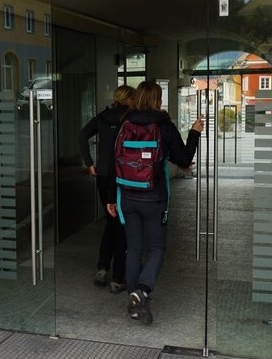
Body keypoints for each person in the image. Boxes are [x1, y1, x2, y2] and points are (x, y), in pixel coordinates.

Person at [107, 81, 202, 325]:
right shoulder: (164, 125)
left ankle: (135, 297)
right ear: (158, 100)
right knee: (157, 248)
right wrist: (195, 132)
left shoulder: (125, 124)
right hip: (154, 198)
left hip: (126, 197)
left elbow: (113, 160)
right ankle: (143, 291)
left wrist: (111, 197)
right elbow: (183, 159)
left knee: (134, 248)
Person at [77, 85, 135, 293]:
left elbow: (83, 135)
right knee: (121, 225)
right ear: (129, 100)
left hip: (103, 174)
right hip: (123, 176)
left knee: (112, 222)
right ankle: (117, 278)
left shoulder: (102, 117)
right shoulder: (131, 119)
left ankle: (102, 268)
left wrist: (89, 163)